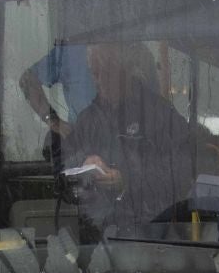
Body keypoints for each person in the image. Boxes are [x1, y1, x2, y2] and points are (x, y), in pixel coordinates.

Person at [67, 42, 196, 225]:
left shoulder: (160, 115)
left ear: (125, 69)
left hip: (151, 233)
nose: (99, 79)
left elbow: (182, 174)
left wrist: (126, 180)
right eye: (94, 73)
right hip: (97, 236)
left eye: (106, 71)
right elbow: (63, 167)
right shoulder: (87, 120)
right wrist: (83, 164)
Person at [18, 42, 96, 140]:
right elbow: (28, 80)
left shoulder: (119, 37)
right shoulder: (70, 52)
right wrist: (53, 120)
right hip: (83, 142)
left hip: (118, 140)